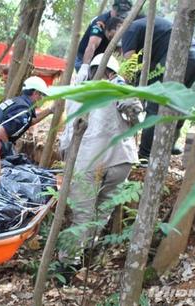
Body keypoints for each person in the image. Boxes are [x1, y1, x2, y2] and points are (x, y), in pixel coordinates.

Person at [59, 54, 141, 268]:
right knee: (102, 210)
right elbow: (135, 111)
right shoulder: (115, 86)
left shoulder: (76, 92)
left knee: (82, 214)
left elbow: (67, 135)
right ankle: (87, 249)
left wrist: (66, 158)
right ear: (112, 72)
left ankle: (70, 261)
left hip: (85, 160)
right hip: (119, 158)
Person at [121, 16, 195, 161]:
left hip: (177, 57)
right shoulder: (152, 26)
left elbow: (130, 64)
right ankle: (171, 143)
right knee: (178, 103)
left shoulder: (130, 28)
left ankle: (144, 156)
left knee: (154, 105)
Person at [0, 76, 53, 158]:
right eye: (42, 95)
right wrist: (10, 154)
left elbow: (29, 121)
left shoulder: (18, 102)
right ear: (36, 93)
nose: (42, 99)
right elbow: (1, 132)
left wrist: (49, 111)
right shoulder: (23, 110)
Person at [74, 0, 133, 81]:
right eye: (118, 14)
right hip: (85, 58)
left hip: (101, 60)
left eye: (123, 15)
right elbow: (92, 45)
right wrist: (84, 67)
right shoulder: (101, 21)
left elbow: (120, 49)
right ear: (113, 9)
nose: (120, 17)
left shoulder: (123, 23)